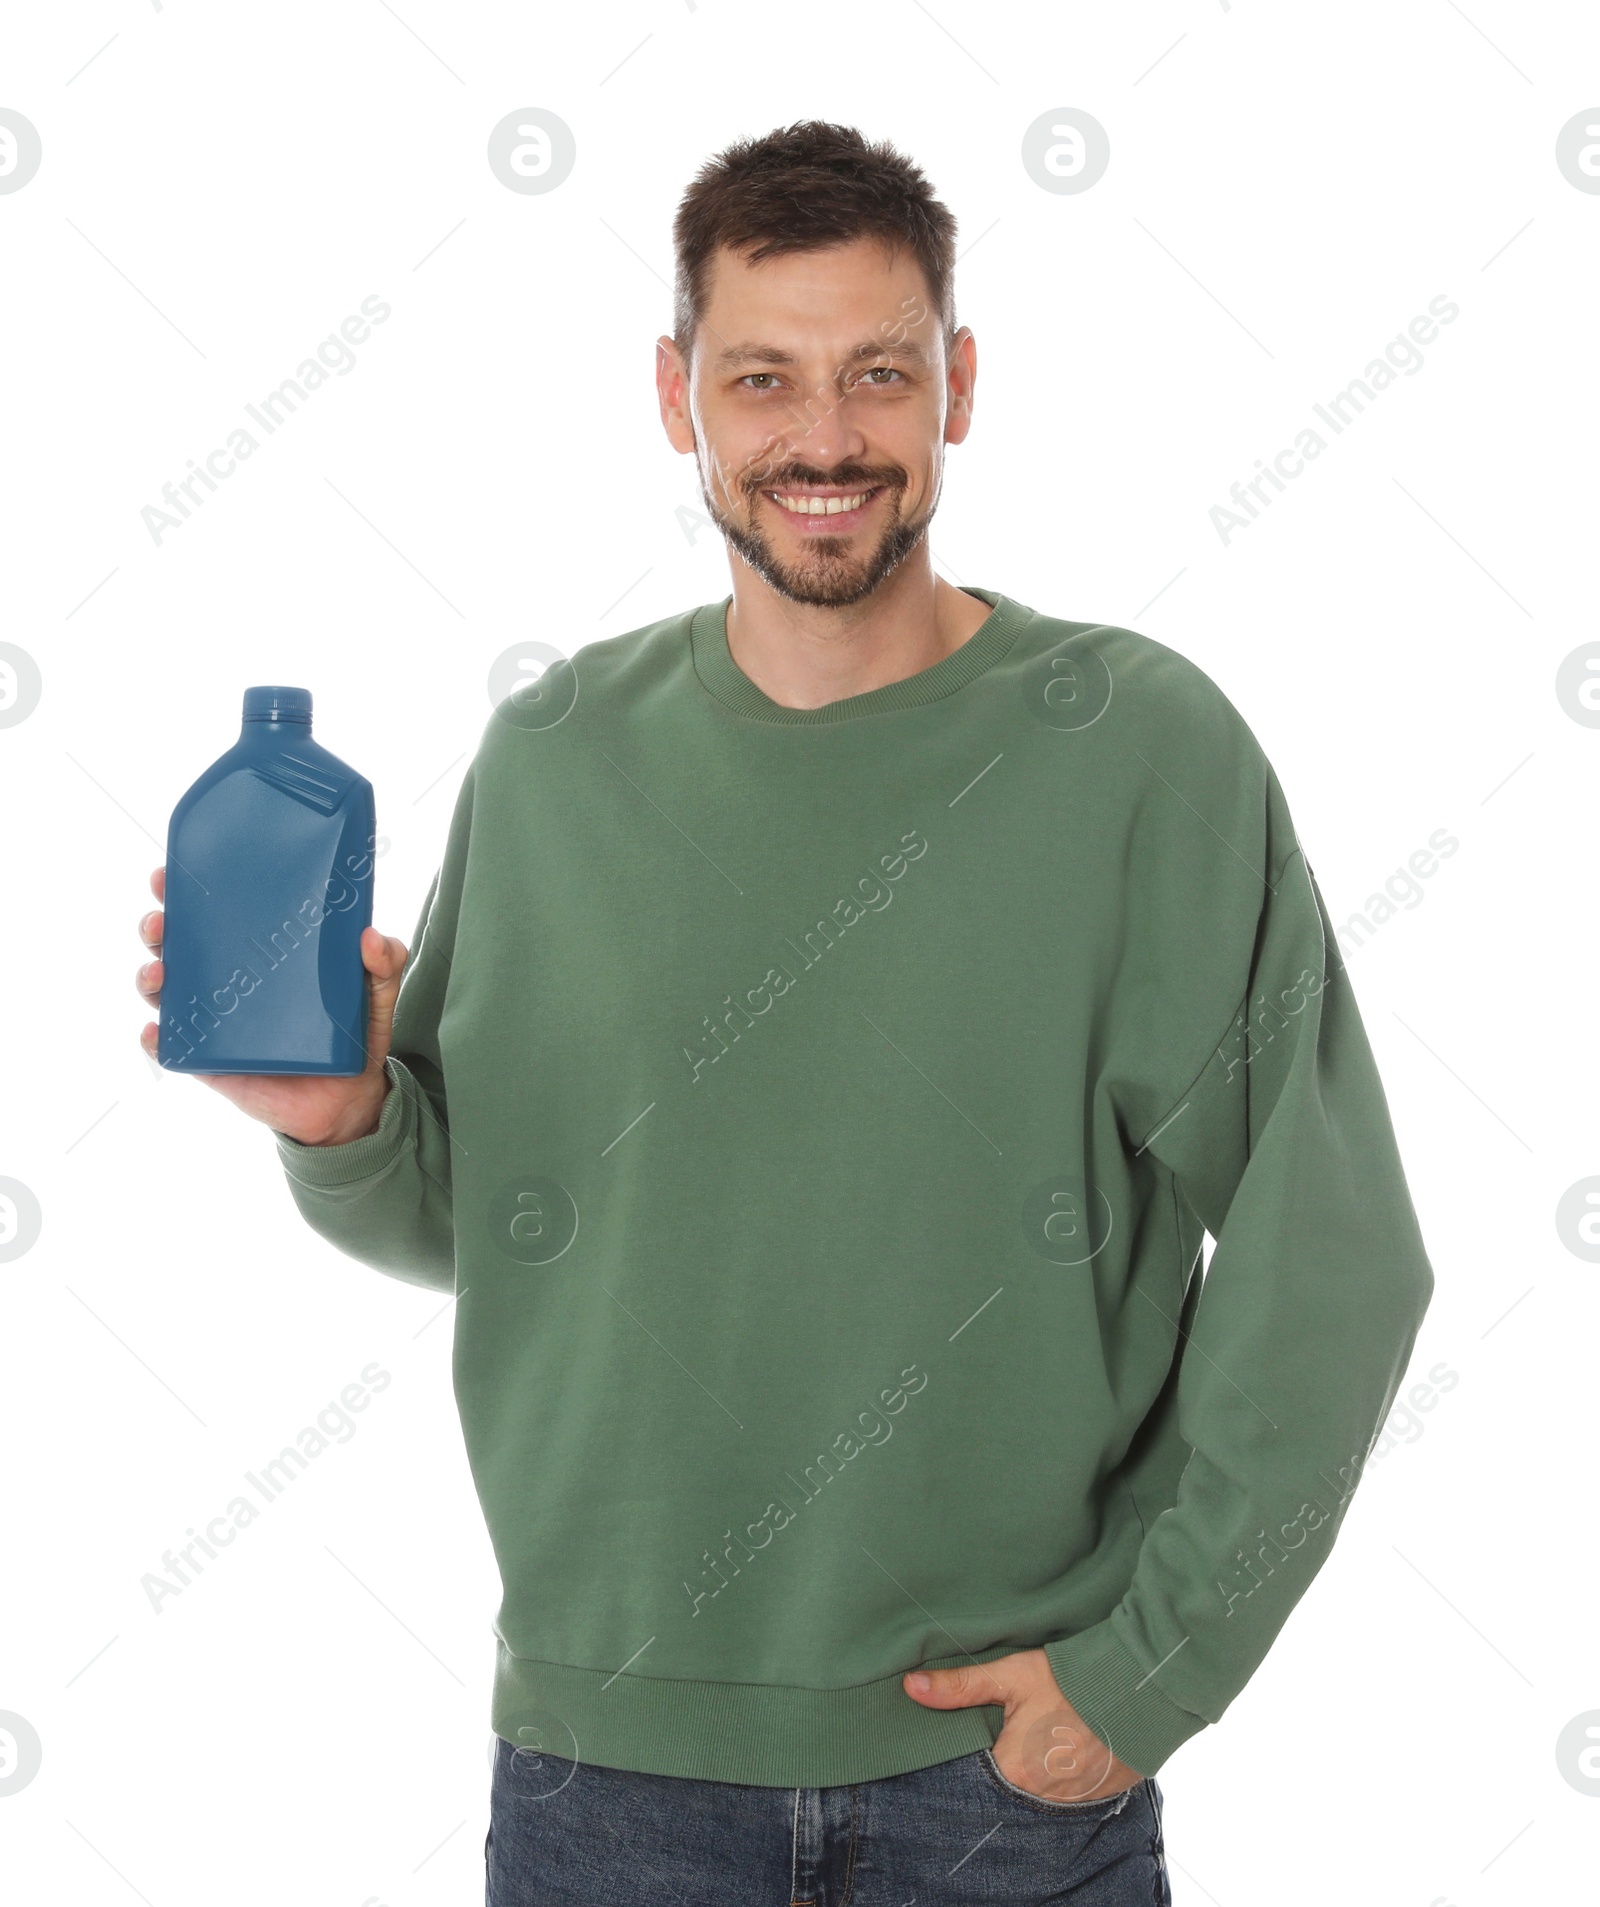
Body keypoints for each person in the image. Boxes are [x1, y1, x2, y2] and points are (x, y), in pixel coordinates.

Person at [135, 121, 1435, 1905]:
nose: (822, 438)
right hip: (606, 1780)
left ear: (955, 386)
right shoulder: (557, 759)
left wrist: (1144, 1679)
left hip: (996, 1783)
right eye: (763, 378)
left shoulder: (1134, 752)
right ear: (678, 398)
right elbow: (528, 1220)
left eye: (877, 374)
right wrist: (346, 1126)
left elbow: (1336, 1252)